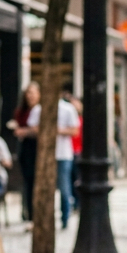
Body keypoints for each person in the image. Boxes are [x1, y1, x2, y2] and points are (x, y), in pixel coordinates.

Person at [24, 92, 80, 229]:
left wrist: (58, 131)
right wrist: (46, 130)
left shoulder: (68, 109)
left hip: (63, 154)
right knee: (43, 188)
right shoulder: (38, 109)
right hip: (44, 154)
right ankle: (44, 219)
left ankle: (64, 218)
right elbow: (32, 127)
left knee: (64, 187)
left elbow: (75, 130)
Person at [10, 81, 40, 221]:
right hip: (26, 149)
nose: (30, 96)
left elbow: (37, 129)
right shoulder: (21, 111)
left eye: (33, 93)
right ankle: (29, 213)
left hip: (38, 148)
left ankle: (36, 213)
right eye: (28, 93)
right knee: (28, 182)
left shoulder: (41, 110)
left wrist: (25, 131)